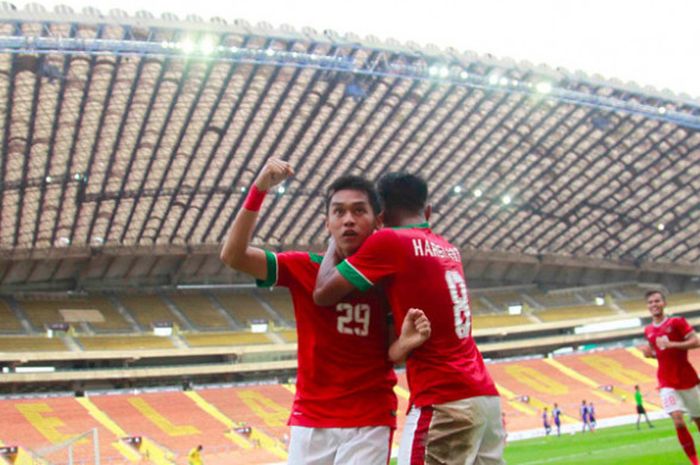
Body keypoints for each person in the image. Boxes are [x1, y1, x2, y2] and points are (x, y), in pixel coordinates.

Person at [220, 159, 430, 465]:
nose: (348, 220)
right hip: (311, 419)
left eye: (359, 210)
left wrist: (406, 345)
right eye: (339, 211)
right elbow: (233, 255)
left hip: (369, 419)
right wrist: (259, 188)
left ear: (377, 221)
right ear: (327, 222)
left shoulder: (387, 280)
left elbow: (390, 353)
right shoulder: (303, 267)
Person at [314, 172, 504, 465]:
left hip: (443, 398)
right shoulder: (448, 248)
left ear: (381, 216)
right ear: (426, 211)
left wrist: (331, 241)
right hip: (484, 395)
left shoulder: (391, 241)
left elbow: (324, 292)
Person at [641, 289, 700, 465]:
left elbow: (696, 341)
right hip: (666, 382)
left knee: (698, 420)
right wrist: (650, 354)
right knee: (678, 420)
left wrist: (672, 344)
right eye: (651, 302)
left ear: (664, 303)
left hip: (687, 379)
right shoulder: (649, 330)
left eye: (657, 301)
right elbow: (659, 352)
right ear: (647, 307)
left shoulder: (677, 322)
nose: (654, 305)